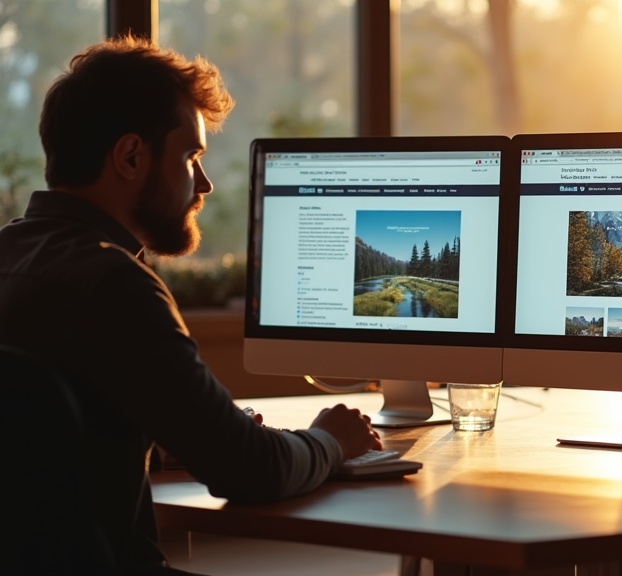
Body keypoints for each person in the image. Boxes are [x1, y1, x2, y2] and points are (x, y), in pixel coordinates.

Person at [0, 36, 382, 574]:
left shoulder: (11, 255)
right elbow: (250, 469)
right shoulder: (114, 285)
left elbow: (36, 452)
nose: (202, 183)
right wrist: (330, 439)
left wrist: (153, 436)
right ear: (131, 156)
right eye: (190, 156)